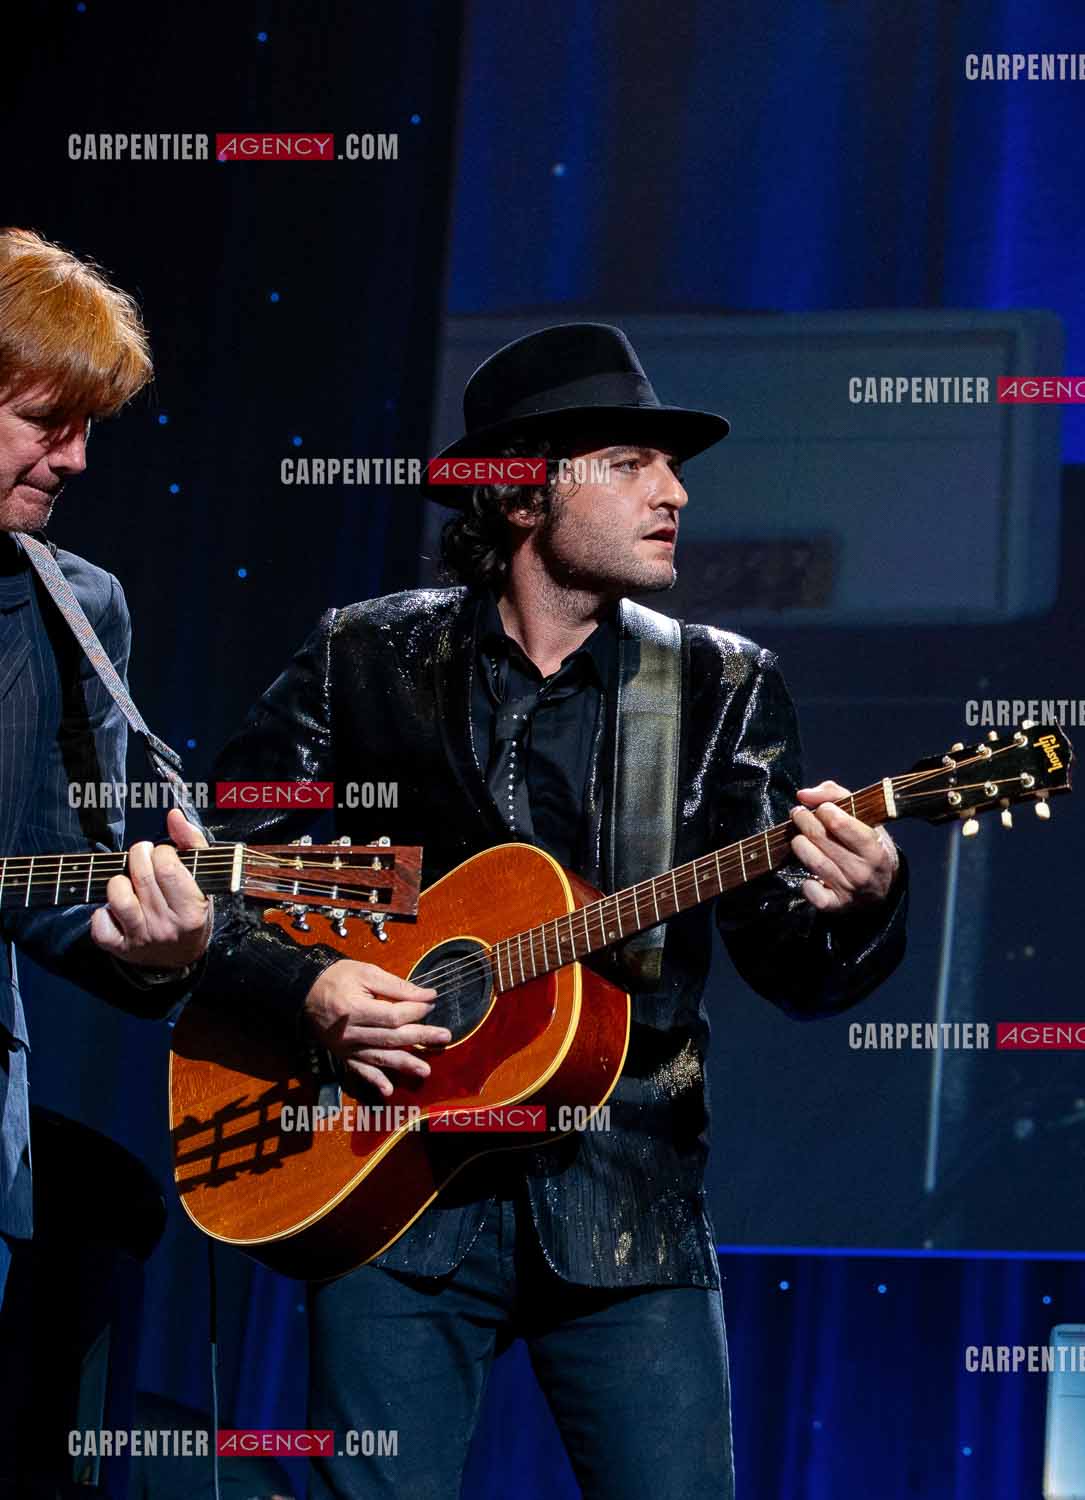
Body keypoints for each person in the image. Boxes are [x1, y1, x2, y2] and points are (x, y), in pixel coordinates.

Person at [190, 323, 910, 1498]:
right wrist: (311, 990)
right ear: (521, 492)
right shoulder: (365, 656)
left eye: (669, 468)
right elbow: (216, 870)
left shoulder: (722, 684)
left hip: (625, 1202)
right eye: (628, 463)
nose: (673, 493)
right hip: (387, 1179)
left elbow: (794, 966)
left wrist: (863, 899)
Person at [0, 227, 214, 1304]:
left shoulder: (79, 610)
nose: (77, 458)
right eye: (45, 422)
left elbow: (50, 881)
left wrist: (160, 951)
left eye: (87, 428)